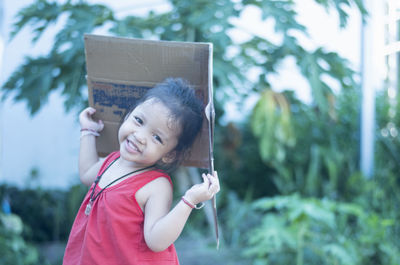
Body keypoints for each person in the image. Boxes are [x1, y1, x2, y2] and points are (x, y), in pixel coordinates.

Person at [63, 78, 220, 265]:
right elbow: (88, 172)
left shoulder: (156, 185)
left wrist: (190, 200)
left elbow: (156, 241)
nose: (140, 137)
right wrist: (88, 131)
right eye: (138, 120)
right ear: (128, 113)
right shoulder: (113, 160)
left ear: (169, 155)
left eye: (156, 137)